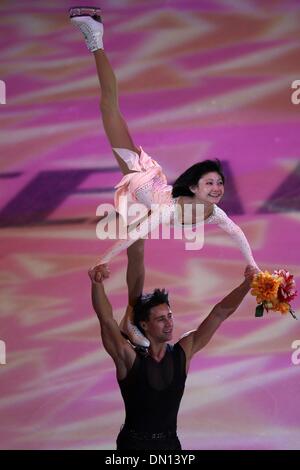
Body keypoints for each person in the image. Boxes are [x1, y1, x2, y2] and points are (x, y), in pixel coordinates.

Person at [70, 7, 260, 347]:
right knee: (108, 107)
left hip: (150, 189)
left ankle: (130, 317)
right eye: (210, 183)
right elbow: (136, 232)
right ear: (193, 187)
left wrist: (252, 265)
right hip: (138, 175)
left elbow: (238, 233)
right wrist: (103, 259)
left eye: (219, 183)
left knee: (138, 254)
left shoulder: (214, 213)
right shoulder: (169, 211)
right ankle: (95, 38)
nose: (217, 188)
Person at [88, 238, 258, 450]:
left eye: (170, 316)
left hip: (170, 446)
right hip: (132, 447)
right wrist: (97, 283)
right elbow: (106, 320)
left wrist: (246, 286)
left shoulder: (183, 351)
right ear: (144, 324)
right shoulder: (128, 357)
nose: (169, 323)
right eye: (161, 319)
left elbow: (219, 314)